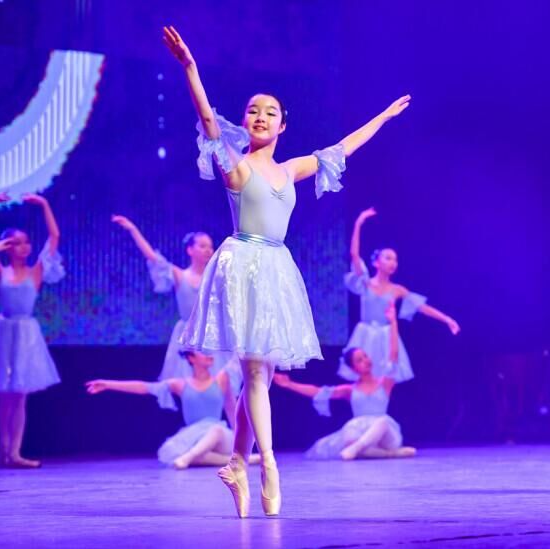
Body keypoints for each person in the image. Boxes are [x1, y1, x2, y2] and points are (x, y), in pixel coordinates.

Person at [162, 25, 410, 517]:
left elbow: (342, 148)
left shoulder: (291, 168)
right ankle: (268, 466)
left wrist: (382, 117)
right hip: (243, 264)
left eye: (270, 112)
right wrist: (190, 68)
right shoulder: (235, 165)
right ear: (245, 121)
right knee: (255, 371)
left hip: (276, 267)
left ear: (282, 126)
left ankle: (237, 462)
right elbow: (208, 120)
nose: (259, 116)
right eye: (253, 110)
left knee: (262, 374)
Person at [0, 193, 65, 468]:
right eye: (17, 243)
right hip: (4, 333)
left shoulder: (36, 272)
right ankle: (3, 450)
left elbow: (54, 237)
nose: (23, 247)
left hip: (26, 335)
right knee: (4, 396)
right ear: (7, 246)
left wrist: (45, 204)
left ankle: (15, 452)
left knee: (20, 396)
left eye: (26, 242)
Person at [274, 304, 416, 460]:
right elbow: (318, 391)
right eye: (359, 360)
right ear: (354, 368)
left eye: (365, 356)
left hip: (385, 434)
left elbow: (394, 355)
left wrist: (393, 322)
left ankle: (359, 449)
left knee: (382, 422)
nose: (365, 361)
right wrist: (290, 384)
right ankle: (390, 454)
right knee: (349, 435)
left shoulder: (384, 383)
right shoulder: (350, 390)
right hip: (361, 431)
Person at [111, 216, 239, 386]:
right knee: (185, 385)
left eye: (210, 247)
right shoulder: (180, 276)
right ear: (190, 250)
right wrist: (132, 229)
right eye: (202, 246)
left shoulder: (217, 278)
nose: (208, 250)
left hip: (213, 336)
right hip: (187, 337)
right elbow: (152, 257)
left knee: (219, 386)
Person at [340, 207, 460, 383]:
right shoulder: (365, 282)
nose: (393, 262)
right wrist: (359, 223)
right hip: (365, 336)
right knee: (363, 380)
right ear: (376, 262)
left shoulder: (397, 290)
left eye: (395, 259)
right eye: (388, 258)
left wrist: (447, 319)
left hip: (386, 338)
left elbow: (422, 308)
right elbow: (354, 254)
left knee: (385, 379)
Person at [85, 350, 257, 469]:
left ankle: (189, 458)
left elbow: (232, 408)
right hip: (195, 437)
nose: (209, 354)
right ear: (191, 358)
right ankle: (240, 460)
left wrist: (242, 440)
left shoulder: (221, 379)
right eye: (202, 351)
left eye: (209, 351)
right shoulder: (180, 384)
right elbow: (146, 387)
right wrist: (108, 384)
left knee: (215, 431)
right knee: (194, 452)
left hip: (221, 437)